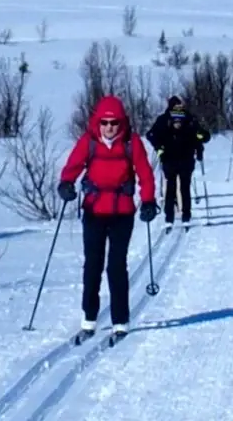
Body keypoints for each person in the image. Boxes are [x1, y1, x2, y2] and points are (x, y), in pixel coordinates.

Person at [57, 95, 158, 339]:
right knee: (93, 264)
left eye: (114, 123)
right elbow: (73, 165)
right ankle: (89, 317)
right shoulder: (89, 142)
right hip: (94, 211)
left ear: (121, 122)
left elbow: (145, 174)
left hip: (122, 212)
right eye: (104, 122)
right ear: (98, 122)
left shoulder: (131, 142)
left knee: (116, 265)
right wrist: (66, 184)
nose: (109, 127)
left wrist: (148, 201)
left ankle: (120, 320)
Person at [145, 95, 210, 226]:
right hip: (178, 158)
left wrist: (159, 147)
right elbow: (203, 135)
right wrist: (159, 147)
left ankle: (173, 216)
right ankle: (182, 215)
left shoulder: (168, 119)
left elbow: (151, 135)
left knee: (174, 187)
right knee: (180, 187)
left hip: (176, 158)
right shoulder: (184, 118)